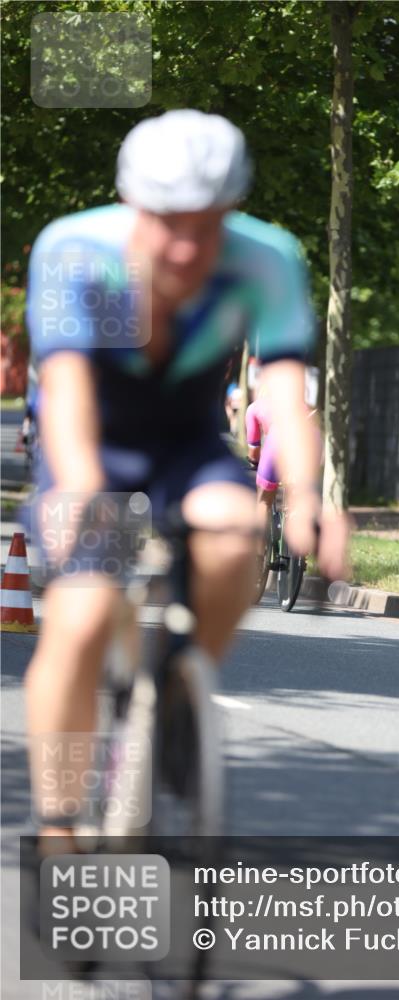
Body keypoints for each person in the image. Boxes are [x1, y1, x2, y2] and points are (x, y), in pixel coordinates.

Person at [24, 109, 348, 847]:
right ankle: (58, 825)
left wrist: (305, 496)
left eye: (206, 225)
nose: (184, 244)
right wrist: (79, 492)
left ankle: (177, 687)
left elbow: (282, 392)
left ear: (230, 211)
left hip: (187, 442)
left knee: (238, 539)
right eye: (166, 222)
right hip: (95, 444)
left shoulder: (265, 258)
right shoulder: (76, 250)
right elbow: (67, 393)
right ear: (131, 204)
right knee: (77, 621)